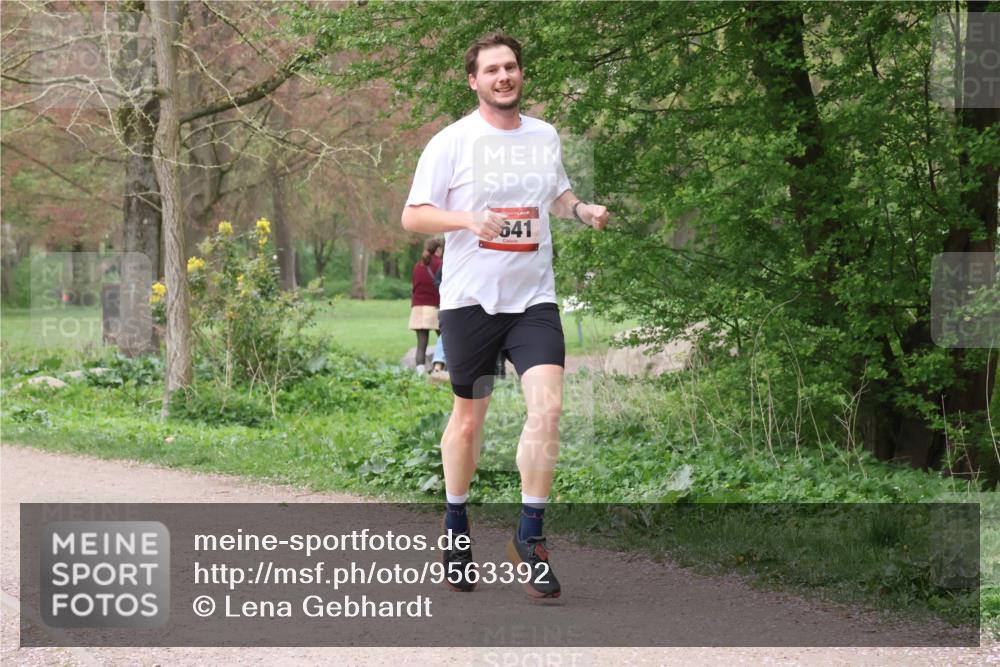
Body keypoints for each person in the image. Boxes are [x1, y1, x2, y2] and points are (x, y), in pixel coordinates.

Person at [401, 32, 609, 598]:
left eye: (511, 67)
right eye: (492, 69)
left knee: (550, 408)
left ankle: (531, 537)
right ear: (474, 81)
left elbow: (556, 194)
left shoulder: (544, 135)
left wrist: (581, 209)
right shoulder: (452, 142)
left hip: (533, 299)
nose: (504, 76)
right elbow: (413, 217)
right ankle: (456, 521)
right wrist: (468, 221)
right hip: (471, 300)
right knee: (469, 421)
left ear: (521, 74)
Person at [408, 237, 443, 374]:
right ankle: (439, 368)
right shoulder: (441, 264)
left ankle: (420, 372)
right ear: (439, 249)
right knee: (445, 339)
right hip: (434, 307)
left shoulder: (418, 266)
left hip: (417, 307)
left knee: (421, 344)